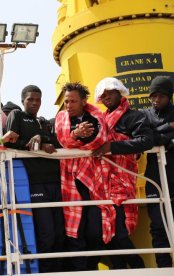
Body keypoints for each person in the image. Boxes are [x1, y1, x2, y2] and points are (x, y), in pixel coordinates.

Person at [93, 77, 153, 269]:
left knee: (119, 232)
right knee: (107, 233)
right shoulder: (100, 120)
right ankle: (118, 270)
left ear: (120, 93)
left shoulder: (135, 116)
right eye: (103, 94)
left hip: (122, 179)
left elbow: (146, 141)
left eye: (110, 92)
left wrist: (113, 146)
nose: (106, 97)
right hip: (101, 182)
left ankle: (139, 268)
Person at [5, 85, 65, 273]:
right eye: (30, 99)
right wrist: (36, 145)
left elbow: (57, 142)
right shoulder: (17, 115)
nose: (34, 103)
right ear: (23, 100)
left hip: (56, 181)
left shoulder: (43, 121)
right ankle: (46, 272)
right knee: (46, 234)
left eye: (38, 100)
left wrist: (43, 140)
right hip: (34, 182)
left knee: (61, 234)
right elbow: (11, 143)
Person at [55, 82, 113, 271]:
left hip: (95, 179)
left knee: (95, 230)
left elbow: (100, 140)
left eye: (73, 101)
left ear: (83, 101)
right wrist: (75, 135)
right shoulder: (60, 118)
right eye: (66, 101)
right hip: (71, 179)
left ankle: (92, 267)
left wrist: (83, 137)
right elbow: (63, 141)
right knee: (75, 230)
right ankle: (81, 271)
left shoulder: (96, 116)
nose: (68, 105)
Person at [141, 76, 174, 267]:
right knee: (158, 227)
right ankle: (164, 268)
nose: (156, 100)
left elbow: (155, 136)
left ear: (169, 96)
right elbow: (147, 137)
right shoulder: (145, 115)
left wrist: (163, 137)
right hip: (155, 178)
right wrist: (169, 128)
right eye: (153, 96)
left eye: (161, 96)